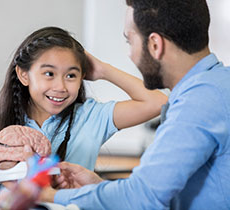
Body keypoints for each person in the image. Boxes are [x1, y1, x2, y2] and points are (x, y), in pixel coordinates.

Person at [37, 0, 230, 209]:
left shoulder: (199, 102)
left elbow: (142, 198)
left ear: (155, 45)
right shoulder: (216, 86)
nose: (129, 53)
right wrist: (96, 188)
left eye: (130, 41)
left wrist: (48, 195)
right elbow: (156, 194)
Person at [0, 26, 167, 198]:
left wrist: (103, 70)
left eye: (71, 75)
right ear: (24, 75)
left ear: (82, 77)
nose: (60, 86)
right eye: (49, 73)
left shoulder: (91, 116)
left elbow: (158, 102)